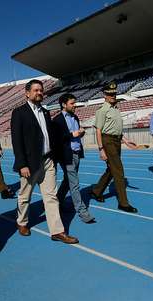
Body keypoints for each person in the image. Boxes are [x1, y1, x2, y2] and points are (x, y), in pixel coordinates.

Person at [11, 79, 79, 244]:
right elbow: (16, 140)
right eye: (35, 90)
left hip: (48, 160)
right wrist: (22, 164)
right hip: (30, 163)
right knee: (25, 195)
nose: (39, 93)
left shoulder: (46, 112)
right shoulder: (19, 112)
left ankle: (57, 231)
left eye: (41, 90)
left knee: (51, 197)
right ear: (27, 93)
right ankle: (22, 222)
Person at [90, 81, 138, 213]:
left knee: (111, 169)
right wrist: (101, 149)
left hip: (116, 141)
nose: (113, 95)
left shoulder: (116, 109)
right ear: (104, 95)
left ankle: (96, 191)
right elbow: (99, 131)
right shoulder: (102, 110)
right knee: (118, 171)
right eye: (110, 94)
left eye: (114, 93)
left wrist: (126, 141)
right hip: (108, 142)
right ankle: (123, 203)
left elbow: (116, 130)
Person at [52, 93, 95, 223]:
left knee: (67, 181)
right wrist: (73, 134)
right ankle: (82, 212)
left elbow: (75, 135)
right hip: (66, 156)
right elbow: (57, 139)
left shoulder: (75, 117)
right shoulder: (57, 120)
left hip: (76, 153)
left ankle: (57, 203)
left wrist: (80, 134)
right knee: (74, 184)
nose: (74, 105)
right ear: (64, 105)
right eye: (72, 103)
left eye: (74, 103)